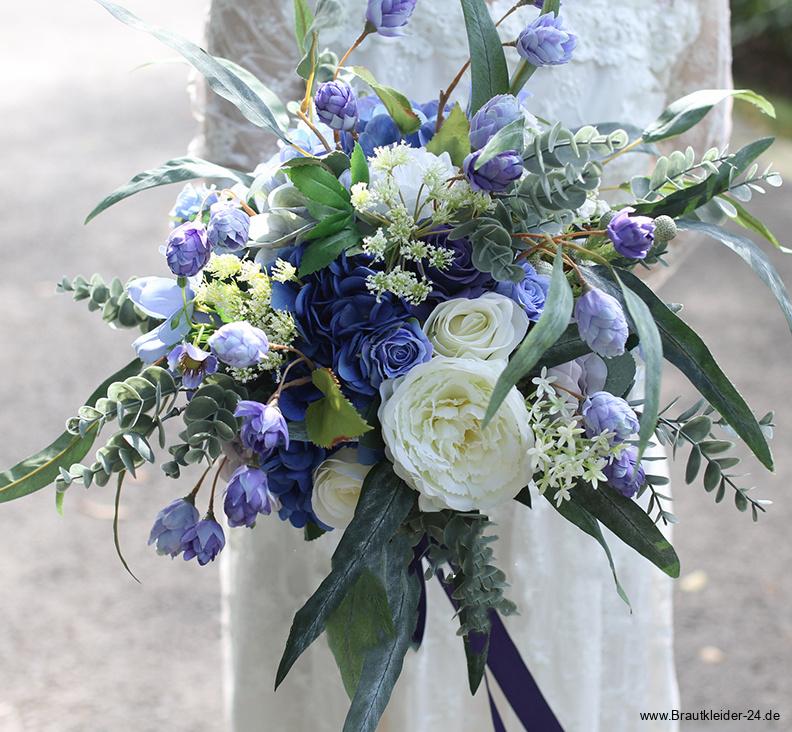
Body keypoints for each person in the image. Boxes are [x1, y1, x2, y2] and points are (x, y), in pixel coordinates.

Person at [189, 2, 733, 730]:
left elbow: (685, 193)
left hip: (567, 442)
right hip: (335, 466)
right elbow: (236, 198)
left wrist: (543, 358)